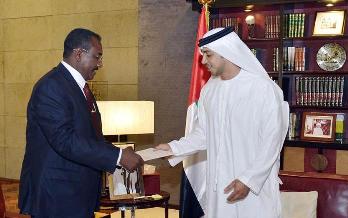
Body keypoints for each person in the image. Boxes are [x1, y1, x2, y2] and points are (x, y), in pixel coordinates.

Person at [156, 27, 289, 218]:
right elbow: (203, 134)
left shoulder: (263, 88)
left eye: (208, 55)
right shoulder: (210, 89)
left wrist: (248, 180)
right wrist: (172, 148)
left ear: (227, 52)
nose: (203, 61)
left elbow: (272, 142)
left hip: (253, 189)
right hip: (219, 188)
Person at [18, 28, 144, 218]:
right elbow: (65, 140)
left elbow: (91, 136)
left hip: (76, 194)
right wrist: (118, 156)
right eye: (97, 57)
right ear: (78, 54)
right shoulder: (50, 86)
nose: (100, 64)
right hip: (56, 196)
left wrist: (118, 154)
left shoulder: (80, 87)